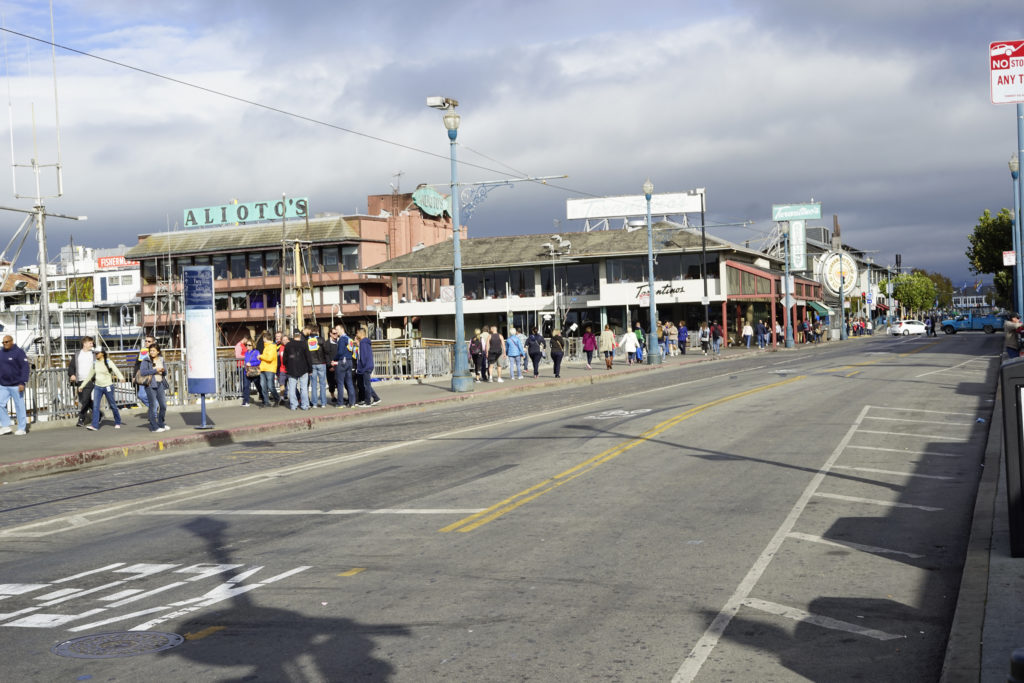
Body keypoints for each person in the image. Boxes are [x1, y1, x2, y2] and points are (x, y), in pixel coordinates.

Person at [81, 348, 125, 431]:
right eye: (95, 353)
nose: (96, 354)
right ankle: (95, 425)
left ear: (102, 353)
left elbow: (116, 370)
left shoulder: (108, 362)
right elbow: (89, 376)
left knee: (112, 405)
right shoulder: (95, 363)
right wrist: (82, 386)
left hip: (108, 386)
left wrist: (121, 378)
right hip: (98, 387)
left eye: (97, 353)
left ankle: (118, 421)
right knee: (95, 406)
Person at [0, 334, 29, 436]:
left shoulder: (19, 352)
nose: (4, 344)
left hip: (17, 385)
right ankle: (5, 426)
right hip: (3, 385)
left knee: (19, 406)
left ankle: (22, 428)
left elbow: (25, 368)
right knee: (0, 404)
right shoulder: (1, 353)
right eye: (3, 342)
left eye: (6, 342)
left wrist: (22, 382)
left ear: (12, 341)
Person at [68, 336, 100, 427]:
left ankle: (81, 418)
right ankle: (99, 414)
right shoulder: (78, 354)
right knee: (84, 400)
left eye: (92, 343)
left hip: (90, 380)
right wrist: (72, 375)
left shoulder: (94, 354)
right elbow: (71, 367)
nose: (92, 344)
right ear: (84, 344)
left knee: (85, 399)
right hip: (80, 381)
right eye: (90, 343)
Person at [139, 342, 169, 432]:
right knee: (153, 406)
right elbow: (143, 372)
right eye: (150, 350)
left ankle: (161, 423)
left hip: (160, 384)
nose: (151, 352)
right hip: (150, 385)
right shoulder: (146, 360)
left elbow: (165, 372)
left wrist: (163, 371)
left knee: (163, 405)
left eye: (153, 351)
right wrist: (155, 370)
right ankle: (154, 427)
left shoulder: (161, 359)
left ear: (158, 351)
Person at [284, 329, 312, 410]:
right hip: (303, 368)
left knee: (292, 388)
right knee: (304, 388)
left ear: (293, 335)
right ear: (300, 335)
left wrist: (287, 366)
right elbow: (308, 357)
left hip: (291, 369)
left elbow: (285, 359)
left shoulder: (288, 345)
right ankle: (305, 405)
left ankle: (293, 405)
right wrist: (310, 369)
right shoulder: (304, 344)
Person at [332, 324, 357, 408]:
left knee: (340, 383)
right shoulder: (349, 339)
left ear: (342, 329)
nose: (336, 331)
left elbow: (340, 352)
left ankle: (340, 403)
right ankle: (352, 403)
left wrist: (334, 359)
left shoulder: (342, 339)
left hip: (342, 361)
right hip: (349, 361)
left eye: (337, 329)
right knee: (349, 382)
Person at [355, 327, 381, 407]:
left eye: (357, 333)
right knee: (367, 384)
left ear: (360, 333)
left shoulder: (363, 342)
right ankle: (376, 398)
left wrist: (361, 366)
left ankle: (368, 402)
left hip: (365, 366)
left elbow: (363, 356)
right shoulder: (366, 342)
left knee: (366, 385)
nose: (356, 335)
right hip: (368, 365)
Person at [306, 327, 328, 408]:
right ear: (317, 332)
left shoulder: (307, 340)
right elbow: (326, 350)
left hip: (312, 364)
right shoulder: (321, 339)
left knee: (313, 384)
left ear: (310, 332)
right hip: (321, 363)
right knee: (322, 384)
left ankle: (314, 403)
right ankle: (323, 403)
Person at [132, 334, 156, 410]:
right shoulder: (142, 351)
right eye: (145, 341)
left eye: (149, 341)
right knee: (141, 395)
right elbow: (137, 364)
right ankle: (154, 407)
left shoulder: (156, 351)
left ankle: (153, 413)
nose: (146, 343)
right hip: (143, 377)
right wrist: (134, 376)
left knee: (152, 395)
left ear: (153, 342)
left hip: (153, 377)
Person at [258, 332, 280, 407]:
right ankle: (266, 402)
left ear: (265, 338)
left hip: (270, 369)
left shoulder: (272, 346)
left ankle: (277, 398)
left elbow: (270, 358)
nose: (262, 340)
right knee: (263, 386)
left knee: (270, 386)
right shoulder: (266, 346)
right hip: (263, 368)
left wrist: (261, 356)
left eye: (263, 338)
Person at [243, 339, 264, 405]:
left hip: (254, 372)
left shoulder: (256, 352)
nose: (247, 346)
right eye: (246, 345)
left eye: (249, 345)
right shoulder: (246, 353)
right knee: (246, 386)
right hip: (247, 372)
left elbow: (259, 361)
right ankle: (246, 401)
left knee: (258, 386)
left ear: (253, 345)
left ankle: (264, 399)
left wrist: (251, 364)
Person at [234, 334, 251, 405]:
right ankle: (241, 394)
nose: (247, 343)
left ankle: (243, 394)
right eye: (247, 341)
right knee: (242, 381)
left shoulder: (243, 345)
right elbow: (237, 356)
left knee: (244, 381)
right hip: (240, 365)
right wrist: (246, 357)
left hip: (243, 365)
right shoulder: (239, 345)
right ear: (245, 339)